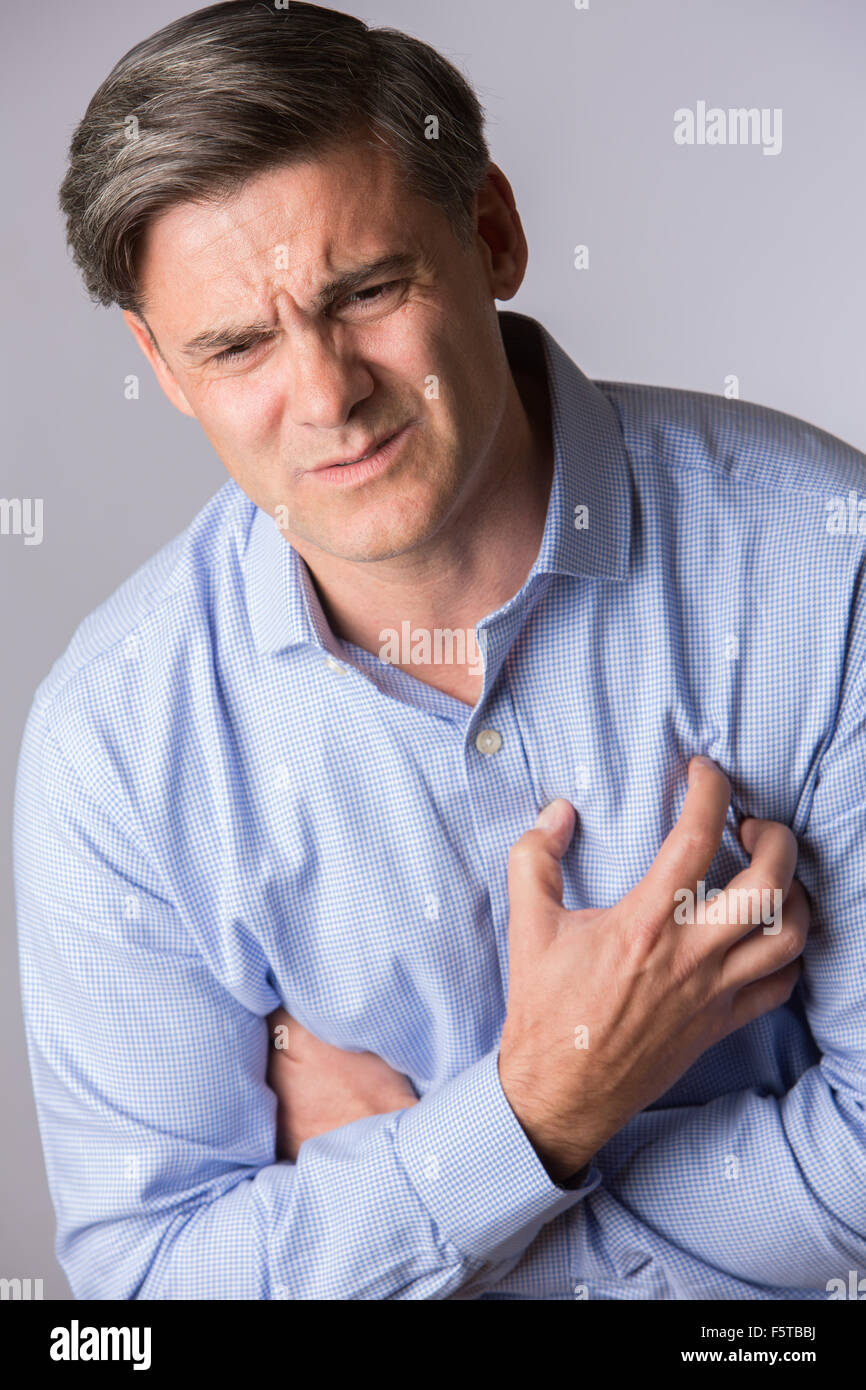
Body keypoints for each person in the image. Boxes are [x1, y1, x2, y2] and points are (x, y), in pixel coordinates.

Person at [14, 0, 865, 1301]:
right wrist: (536, 1108)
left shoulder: (825, 558)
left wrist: (438, 1197)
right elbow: (139, 1304)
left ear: (493, 233)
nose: (325, 392)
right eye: (235, 344)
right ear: (161, 366)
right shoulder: (112, 748)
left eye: (366, 292)